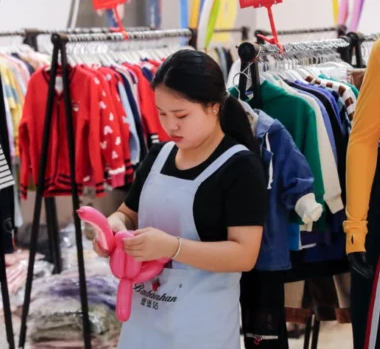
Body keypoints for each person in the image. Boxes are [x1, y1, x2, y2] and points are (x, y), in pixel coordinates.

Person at [93, 50, 269, 349]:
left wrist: (171, 247)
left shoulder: (240, 166)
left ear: (213, 107)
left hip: (200, 326)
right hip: (143, 318)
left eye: (181, 115)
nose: (170, 126)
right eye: (162, 113)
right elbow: (128, 213)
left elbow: (244, 254)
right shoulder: (158, 156)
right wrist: (111, 228)